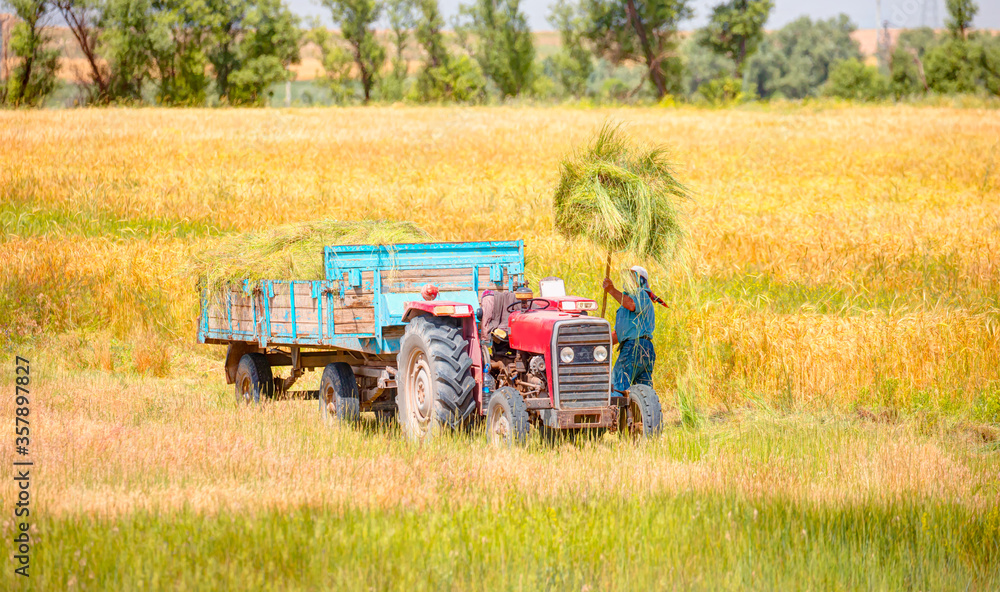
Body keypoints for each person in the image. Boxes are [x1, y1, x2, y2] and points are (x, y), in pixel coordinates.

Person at [602, 266, 657, 393]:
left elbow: (631, 305)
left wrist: (611, 290)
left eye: (631, 276)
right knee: (643, 392)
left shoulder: (640, 294)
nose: (627, 279)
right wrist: (599, 341)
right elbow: (619, 334)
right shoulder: (628, 301)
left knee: (617, 386)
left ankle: (615, 412)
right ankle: (643, 412)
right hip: (643, 349)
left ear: (640, 280)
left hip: (634, 347)